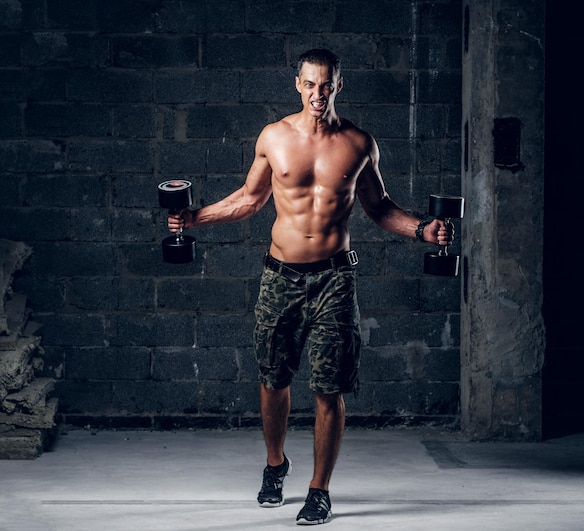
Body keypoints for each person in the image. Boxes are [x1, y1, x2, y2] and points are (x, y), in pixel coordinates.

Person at [168, 49, 452, 525]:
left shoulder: (360, 143)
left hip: (334, 280)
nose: (317, 95)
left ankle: (319, 490)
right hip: (280, 276)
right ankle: (276, 464)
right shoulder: (274, 137)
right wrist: (194, 218)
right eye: (310, 85)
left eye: (327, 86)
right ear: (297, 84)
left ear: (338, 86)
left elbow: (379, 207)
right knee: (273, 380)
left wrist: (423, 229)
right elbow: (249, 199)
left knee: (329, 388)